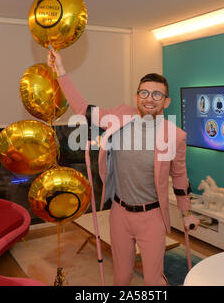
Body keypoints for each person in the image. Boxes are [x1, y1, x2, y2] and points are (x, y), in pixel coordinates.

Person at [47, 49, 199, 286]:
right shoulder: (118, 117)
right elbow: (83, 109)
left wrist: (187, 212)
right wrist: (61, 72)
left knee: (152, 280)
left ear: (166, 101)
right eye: (145, 92)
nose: (150, 98)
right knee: (121, 277)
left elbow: (179, 175)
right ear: (137, 96)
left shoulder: (175, 135)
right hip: (119, 213)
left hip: (152, 217)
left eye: (157, 95)